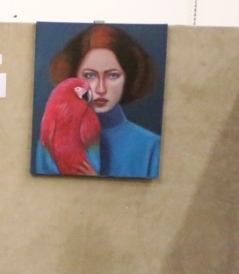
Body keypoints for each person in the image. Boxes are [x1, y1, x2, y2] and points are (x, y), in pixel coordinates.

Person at [34, 24, 160, 178]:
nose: (101, 89)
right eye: (90, 75)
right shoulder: (50, 137)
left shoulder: (152, 146)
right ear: (73, 76)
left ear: (128, 77)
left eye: (113, 75)